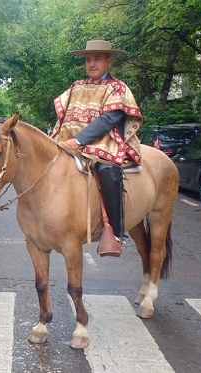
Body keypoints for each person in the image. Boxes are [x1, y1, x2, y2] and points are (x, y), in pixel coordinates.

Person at [50, 40, 143, 257]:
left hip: (105, 141)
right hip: (69, 141)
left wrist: (79, 140)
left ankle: (116, 231)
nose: (91, 64)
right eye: (88, 59)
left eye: (97, 58)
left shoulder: (118, 87)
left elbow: (110, 118)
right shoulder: (76, 86)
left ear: (109, 60)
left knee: (108, 170)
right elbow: (64, 116)